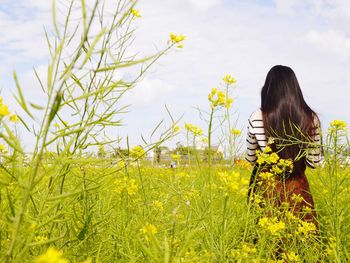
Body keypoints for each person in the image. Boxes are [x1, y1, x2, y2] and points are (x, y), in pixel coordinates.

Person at [245, 65, 322, 223]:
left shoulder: (256, 116)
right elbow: (314, 162)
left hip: (265, 189)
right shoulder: (311, 118)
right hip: (298, 190)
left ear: (268, 89)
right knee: (300, 240)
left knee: (262, 242)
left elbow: (252, 159)